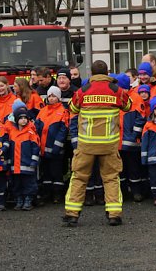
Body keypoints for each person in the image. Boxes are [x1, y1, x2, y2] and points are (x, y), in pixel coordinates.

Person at [63, 60, 130, 227]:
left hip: (86, 144)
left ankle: (72, 214)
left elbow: (72, 108)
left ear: (91, 73)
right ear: (107, 72)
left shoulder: (82, 91)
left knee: (79, 177)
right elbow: (128, 106)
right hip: (109, 144)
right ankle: (114, 214)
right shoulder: (116, 90)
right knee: (111, 178)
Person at [34, 87, 69, 205]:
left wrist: (57, 147)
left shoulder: (63, 111)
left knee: (56, 173)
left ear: (58, 98)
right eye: (49, 96)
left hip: (55, 150)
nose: (51, 98)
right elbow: (37, 129)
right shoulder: (42, 111)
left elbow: (63, 131)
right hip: (43, 149)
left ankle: (57, 194)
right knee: (46, 173)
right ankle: (47, 193)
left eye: (53, 96)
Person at [117, 76, 146, 202]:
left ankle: (135, 192)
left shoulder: (135, 98)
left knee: (133, 169)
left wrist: (134, 135)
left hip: (131, 143)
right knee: (120, 170)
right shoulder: (116, 98)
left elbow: (141, 118)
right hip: (118, 142)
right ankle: (124, 192)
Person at [7, 108, 39, 211]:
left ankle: (28, 200)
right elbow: (10, 149)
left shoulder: (31, 132)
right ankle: (19, 199)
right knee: (16, 184)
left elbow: (35, 148)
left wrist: (34, 161)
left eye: (26, 118)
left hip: (27, 165)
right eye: (21, 118)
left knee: (29, 183)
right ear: (16, 120)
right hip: (15, 165)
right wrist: (8, 162)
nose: (24, 120)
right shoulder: (12, 132)